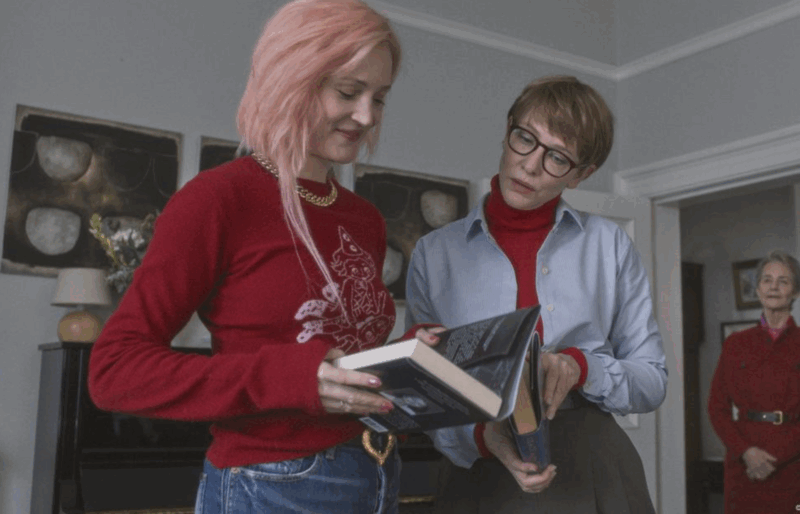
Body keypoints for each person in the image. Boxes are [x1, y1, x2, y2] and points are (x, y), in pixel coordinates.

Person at [88, 1, 409, 512]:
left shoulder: (364, 219)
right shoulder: (218, 199)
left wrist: (414, 356)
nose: (367, 117)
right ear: (293, 80)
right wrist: (290, 379)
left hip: (376, 471)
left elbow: (338, 355)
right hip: (272, 484)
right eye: (349, 92)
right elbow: (115, 371)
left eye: (380, 98)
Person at [404, 75, 668, 513]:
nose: (530, 165)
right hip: (479, 471)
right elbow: (426, 391)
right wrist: (480, 438)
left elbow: (651, 381)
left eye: (558, 158)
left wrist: (582, 367)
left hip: (594, 466)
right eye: (525, 138)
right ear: (507, 129)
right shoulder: (434, 254)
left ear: (582, 174)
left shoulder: (610, 245)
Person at [708, 250, 800, 514]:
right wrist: (746, 452)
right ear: (758, 290)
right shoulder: (736, 344)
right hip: (742, 465)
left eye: (783, 281)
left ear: (795, 292)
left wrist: (776, 458)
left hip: (792, 465)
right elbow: (717, 407)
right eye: (767, 280)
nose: (774, 287)